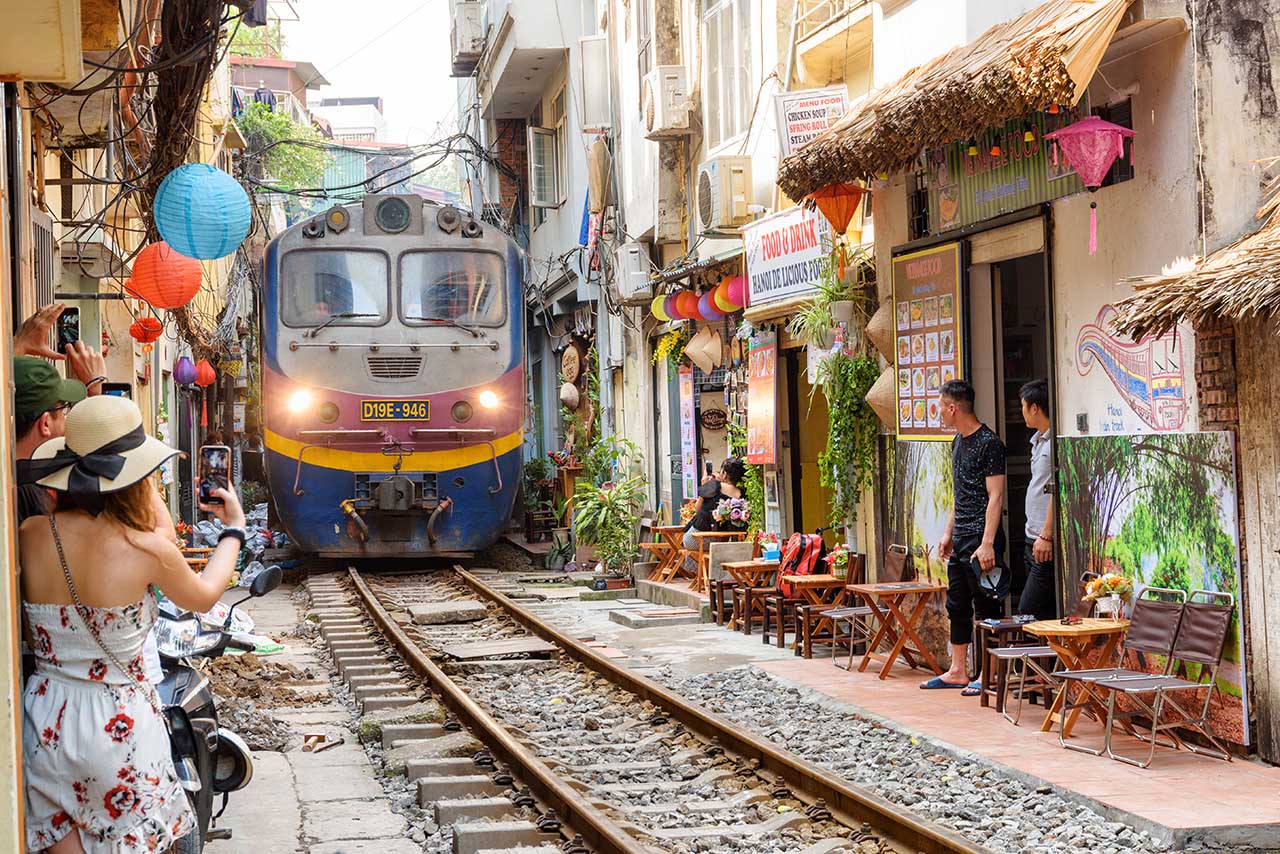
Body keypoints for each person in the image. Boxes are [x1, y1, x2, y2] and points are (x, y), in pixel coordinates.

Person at [18, 394, 247, 853]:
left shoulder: (31, 535)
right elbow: (204, 594)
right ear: (136, 477)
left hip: (47, 717)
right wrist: (234, 529)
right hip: (119, 722)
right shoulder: (147, 550)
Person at [921, 379, 1008, 694]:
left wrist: (987, 543)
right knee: (956, 604)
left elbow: (995, 496)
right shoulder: (957, 442)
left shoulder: (990, 443)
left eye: (941, 407)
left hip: (982, 538)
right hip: (960, 537)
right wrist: (947, 533)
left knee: (987, 606)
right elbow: (960, 494)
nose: (940, 413)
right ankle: (958, 670)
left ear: (953, 407)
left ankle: (989, 674)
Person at [1019, 379, 1056, 620]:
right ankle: (1047, 658)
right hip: (1031, 535)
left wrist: (1046, 535)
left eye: (1023, 406)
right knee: (1042, 613)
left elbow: (1056, 490)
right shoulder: (1037, 441)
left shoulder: (1054, 443)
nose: (1021, 411)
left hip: (1043, 538)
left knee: (1028, 608)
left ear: (1035, 408)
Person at [682, 457, 746, 568]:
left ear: (725, 474)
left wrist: (705, 485)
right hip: (722, 542)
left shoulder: (712, 486)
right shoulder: (742, 494)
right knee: (706, 551)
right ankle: (706, 576)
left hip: (695, 539)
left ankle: (700, 577)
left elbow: (697, 509)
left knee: (691, 544)